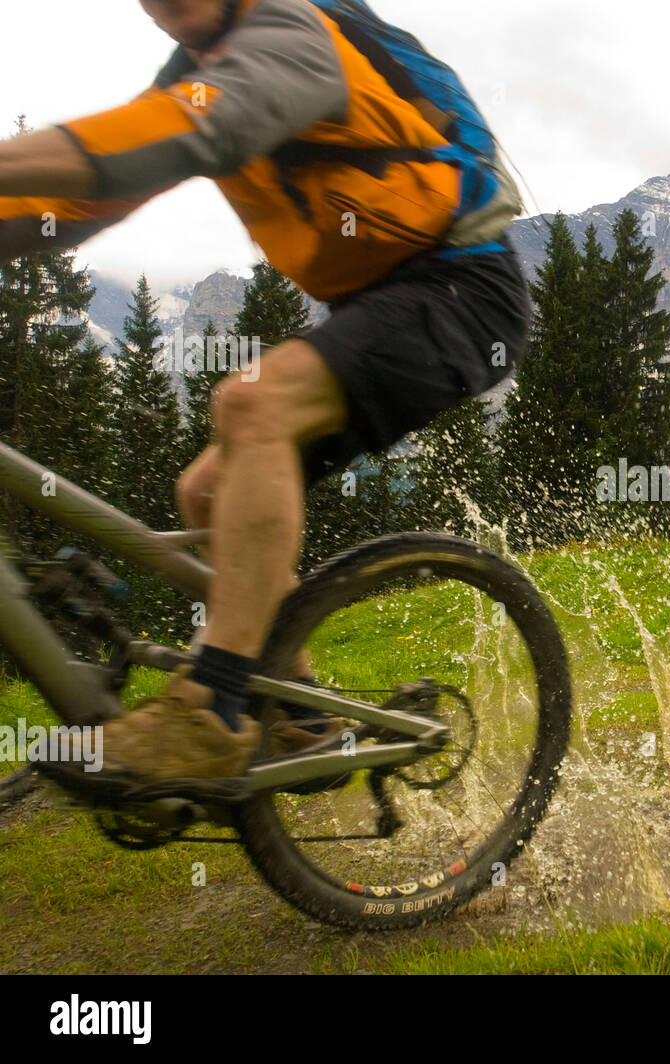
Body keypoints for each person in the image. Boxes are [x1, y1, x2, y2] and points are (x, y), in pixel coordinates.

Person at [0, 0, 530, 781]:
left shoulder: (292, 31)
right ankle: (303, 713)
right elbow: (88, 198)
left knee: (253, 403)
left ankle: (214, 708)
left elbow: (190, 130)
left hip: (460, 289)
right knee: (210, 492)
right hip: (377, 304)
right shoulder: (196, 74)